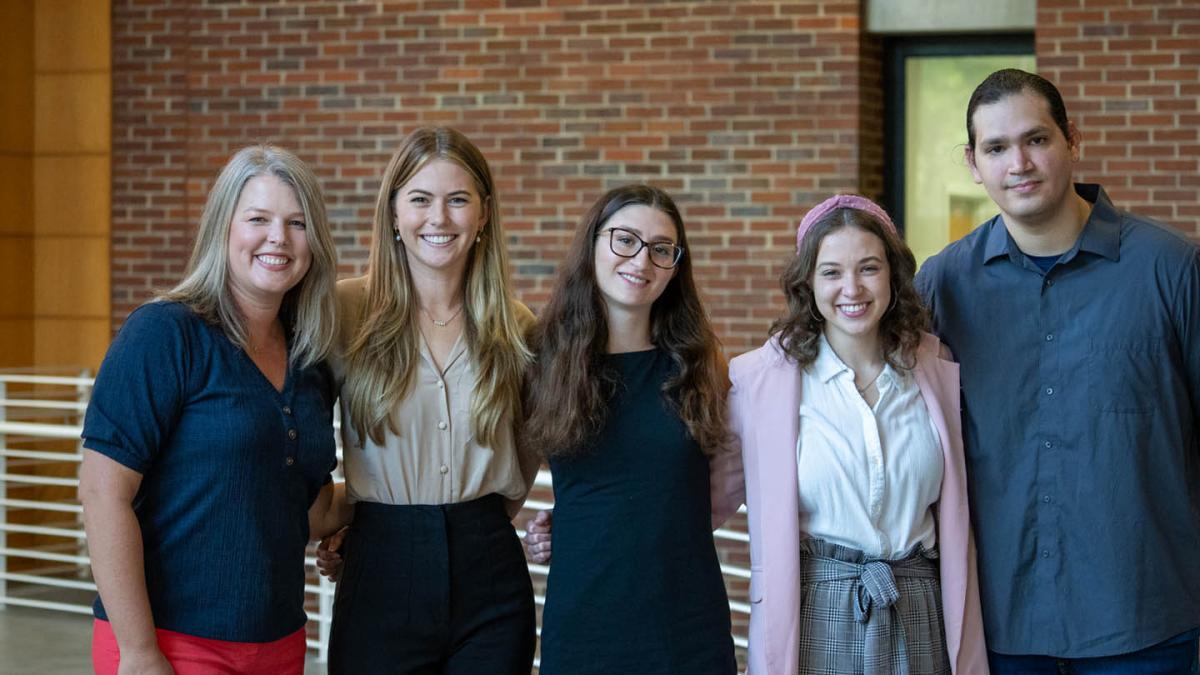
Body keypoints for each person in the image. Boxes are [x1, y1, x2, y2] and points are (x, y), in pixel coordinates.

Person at [915, 68, 1200, 673]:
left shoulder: (1172, 270)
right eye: (996, 148)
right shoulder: (942, 285)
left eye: (1036, 139)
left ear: (1072, 139)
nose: (1018, 163)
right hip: (997, 627)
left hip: (1146, 622)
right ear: (973, 163)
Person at [79, 144, 349, 674]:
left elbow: (307, 508)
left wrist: (384, 511)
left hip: (278, 642)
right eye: (258, 219)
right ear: (223, 227)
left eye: (297, 223)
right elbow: (102, 493)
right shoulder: (164, 333)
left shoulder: (311, 360)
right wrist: (139, 652)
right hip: (168, 642)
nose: (278, 237)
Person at [727, 195, 989, 674]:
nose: (852, 288)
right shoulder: (758, 384)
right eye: (831, 272)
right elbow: (697, 499)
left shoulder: (936, 368)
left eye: (869, 268)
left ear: (893, 274)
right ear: (808, 282)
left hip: (919, 606)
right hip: (816, 613)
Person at [324, 126, 538, 674]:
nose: (438, 218)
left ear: (483, 213)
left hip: (491, 571)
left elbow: (529, 449)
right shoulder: (343, 313)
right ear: (393, 213)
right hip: (379, 565)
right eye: (420, 199)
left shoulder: (516, 327)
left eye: (458, 200)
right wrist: (345, 517)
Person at [520, 184, 738, 674]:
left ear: (675, 266)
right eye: (625, 240)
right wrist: (552, 526)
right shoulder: (543, 360)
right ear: (593, 243)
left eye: (661, 249)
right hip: (585, 619)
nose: (641, 261)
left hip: (685, 622)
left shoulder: (702, 366)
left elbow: (721, 481)